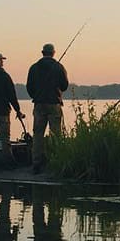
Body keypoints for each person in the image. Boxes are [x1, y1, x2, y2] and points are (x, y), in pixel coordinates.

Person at [26, 43, 69, 173]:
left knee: (38, 135)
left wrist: (36, 96)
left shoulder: (33, 68)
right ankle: (55, 161)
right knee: (56, 134)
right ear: (54, 53)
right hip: (54, 104)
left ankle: (36, 164)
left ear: (42, 52)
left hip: (39, 104)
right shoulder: (59, 67)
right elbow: (65, 85)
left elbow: (29, 87)